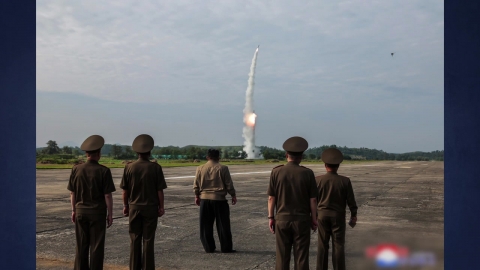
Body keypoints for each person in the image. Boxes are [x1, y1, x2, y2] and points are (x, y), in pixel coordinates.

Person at [267, 136, 318, 270]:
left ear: (286, 155)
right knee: (301, 257)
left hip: (282, 220)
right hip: (302, 220)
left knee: (282, 257)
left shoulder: (276, 172)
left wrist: (271, 217)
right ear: (301, 156)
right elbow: (313, 199)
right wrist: (314, 219)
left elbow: (271, 198)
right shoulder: (308, 173)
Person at [67, 135, 116, 270]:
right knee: (96, 247)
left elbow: (72, 193)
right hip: (97, 213)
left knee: (81, 246)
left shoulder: (76, 169)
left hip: (80, 211)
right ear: (98, 153)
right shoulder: (103, 171)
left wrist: (73, 210)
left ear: (86, 154)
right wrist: (110, 214)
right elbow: (107, 195)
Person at [120, 134, 167, 270]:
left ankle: (134, 267)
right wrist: (161, 207)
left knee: (134, 238)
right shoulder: (155, 168)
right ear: (149, 152)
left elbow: (125, 191)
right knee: (148, 239)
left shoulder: (129, 167)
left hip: (134, 207)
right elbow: (160, 191)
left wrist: (125, 206)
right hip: (150, 208)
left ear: (137, 152)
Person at [316, 148, 358, 270]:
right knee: (338, 245)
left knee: (322, 245)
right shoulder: (345, 181)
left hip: (322, 216)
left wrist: (312, 216)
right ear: (338, 166)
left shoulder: (318, 180)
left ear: (325, 165)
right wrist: (353, 214)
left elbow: (313, 200)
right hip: (338, 216)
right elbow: (351, 200)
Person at [193, 148, 237, 253]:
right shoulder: (223, 168)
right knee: (223, 225)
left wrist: (197, 196)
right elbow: (229, 184)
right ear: (218, 157)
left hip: (205, 199)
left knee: (205, 225)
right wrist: (233, 195)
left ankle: (209, 247)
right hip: (220, 200)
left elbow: (196, 185)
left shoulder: (200, 168)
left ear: (207, 157)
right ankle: (226, 247)